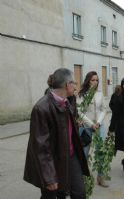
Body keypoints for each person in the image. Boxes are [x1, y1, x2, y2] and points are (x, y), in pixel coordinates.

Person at [24, 68, 89, 199]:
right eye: (74, 83)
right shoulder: (41, 108)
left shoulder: (69, 101)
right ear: (67, 85)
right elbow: (40, 147)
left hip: (70, 156)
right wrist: (49, 177)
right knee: (52, 195)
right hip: (52, 161)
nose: (76, 86)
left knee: (79, 193)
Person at [77, 71, 108, 187]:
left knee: (101, 152)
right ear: (87, 81)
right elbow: (79, 112)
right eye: (92, 80)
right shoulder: (81, 94)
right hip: (86, 127)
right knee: (84, 153)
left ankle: (100, 177)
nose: (95, 82)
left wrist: (98, 122)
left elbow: (104, 109)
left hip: (99, 126)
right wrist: (91, 124)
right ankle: (83, 178)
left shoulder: (100, 94)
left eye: (97, 80)